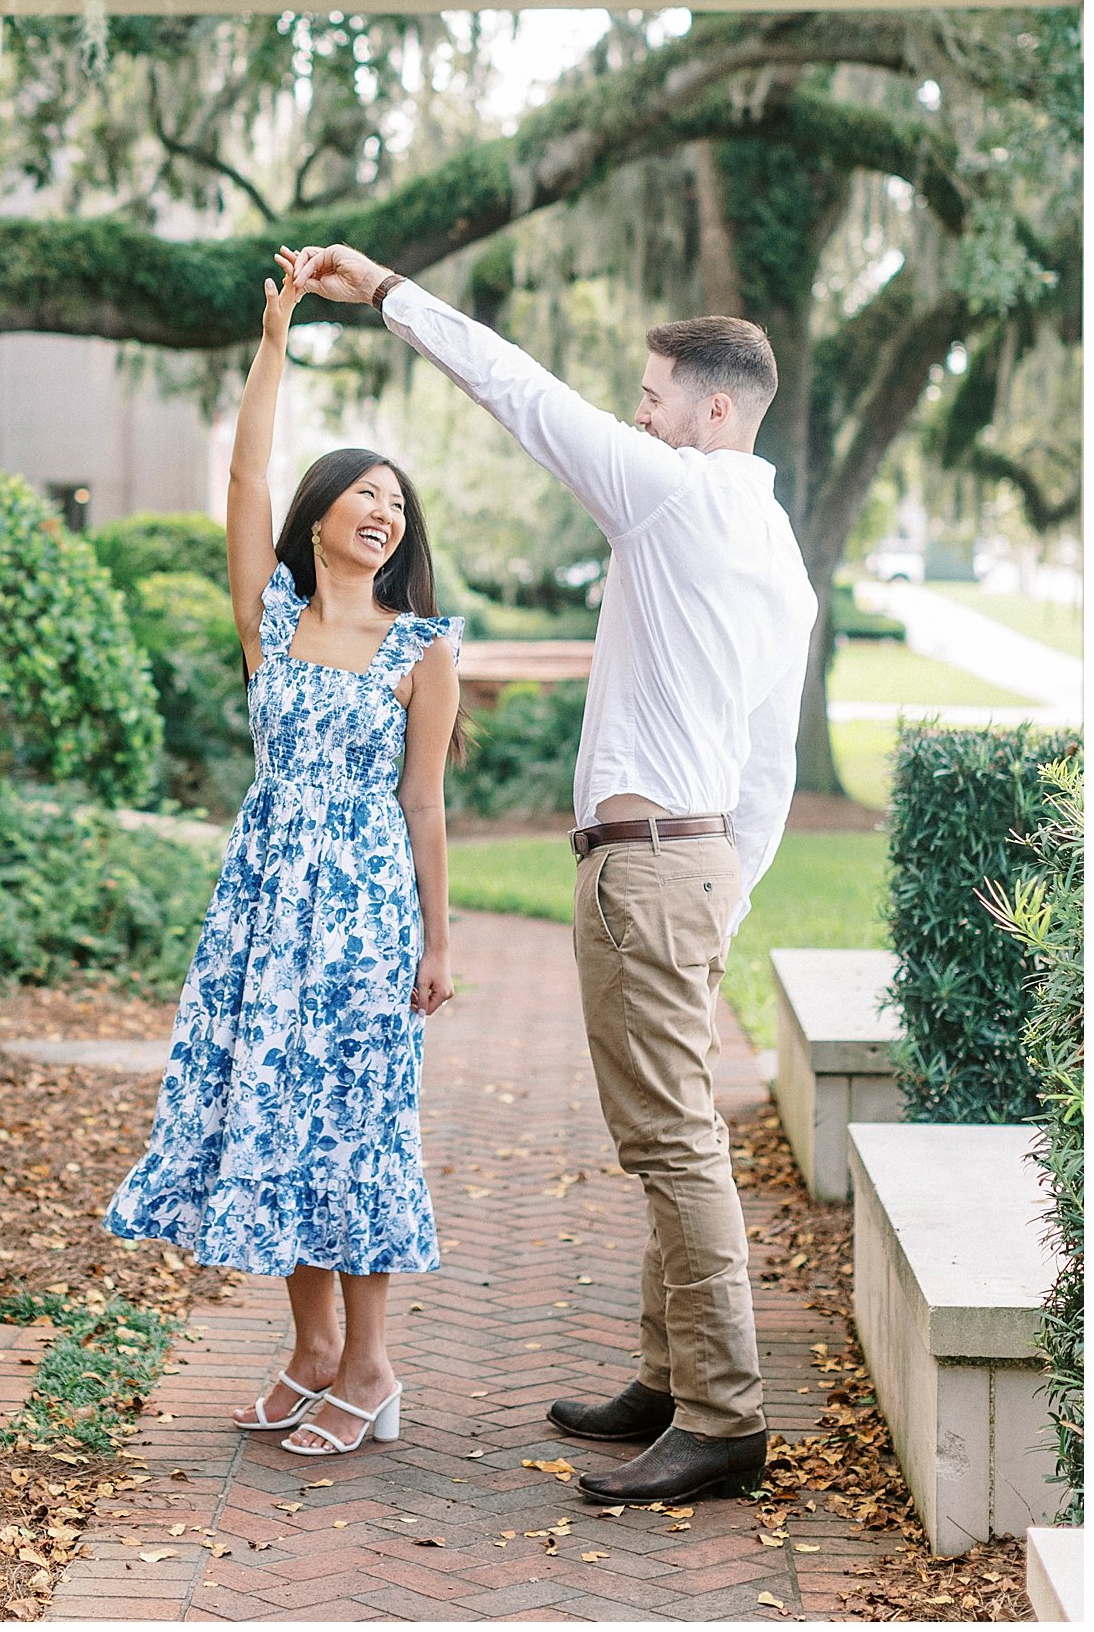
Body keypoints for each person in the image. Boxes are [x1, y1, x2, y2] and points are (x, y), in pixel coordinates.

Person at [287, 241, 816, 1504]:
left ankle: (725, 1417)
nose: (635, 415)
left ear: (716, 410)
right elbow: (770, 755)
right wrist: (725, 889)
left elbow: (518, 392)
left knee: (673, 1142)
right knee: (666, 1134)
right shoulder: (778, 546)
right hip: (688, 865)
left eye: (651, 398)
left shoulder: (676, 493)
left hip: (646, 871)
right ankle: (671, 1378)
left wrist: (391, 295)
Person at [105, 253, 463, 1458]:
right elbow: (245, 469)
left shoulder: (421, 649)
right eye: (363, 493)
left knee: (354, 1128)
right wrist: (276, 338)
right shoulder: (271, 619)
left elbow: (425, 806)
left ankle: (370, 1365)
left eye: (398, 503)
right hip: (264, 909)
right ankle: (309, 1349)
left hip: (365, 920)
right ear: (320, 517)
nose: (383, 510)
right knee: (273, 1117)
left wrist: (438, 940)